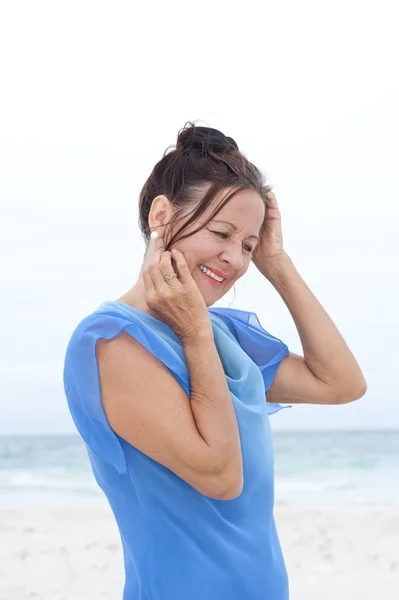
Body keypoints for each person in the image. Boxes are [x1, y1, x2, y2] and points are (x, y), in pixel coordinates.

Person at [63, 123, 367, 600]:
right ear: (162, 217)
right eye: (221, 233)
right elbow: (220, 476)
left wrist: (277, 262)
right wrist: (195, 333)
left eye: (247, 245)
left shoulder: (221, 335)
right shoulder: (109, 342)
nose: (235, 261)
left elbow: (341, 383)